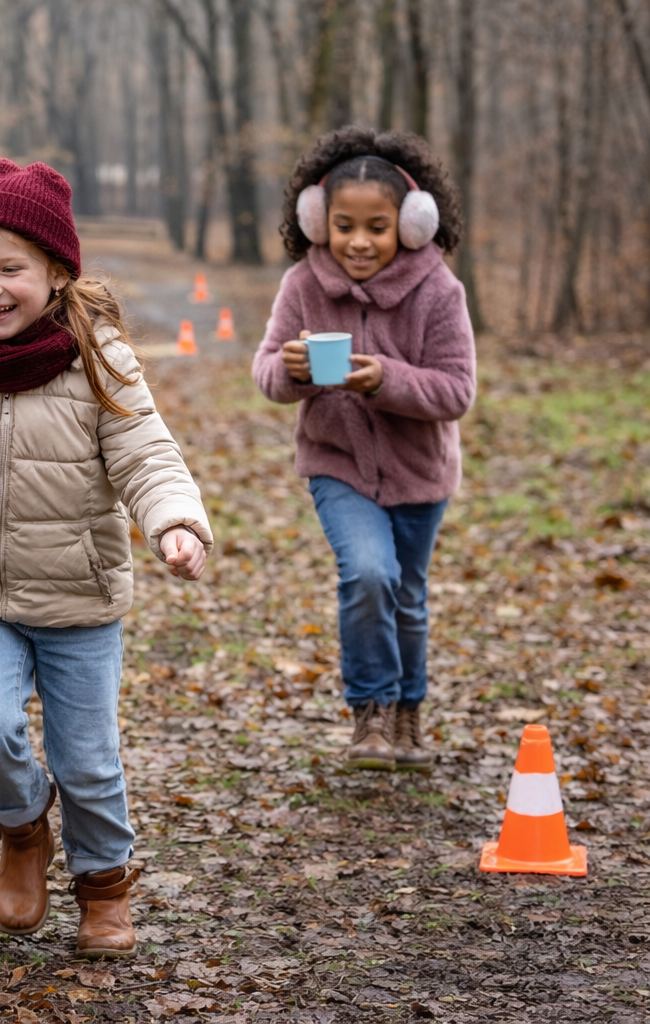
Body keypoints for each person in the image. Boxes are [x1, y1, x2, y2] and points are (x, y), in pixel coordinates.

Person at [0, 158, 212, 959]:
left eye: (10, 269)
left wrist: (174, 522)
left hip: (77, 597)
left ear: (57, 273)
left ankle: (104, 886)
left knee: (87, 762)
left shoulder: (100, 356)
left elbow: (146, 453)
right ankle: (23, 833)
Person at [252, 126, 475, 772]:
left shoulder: (440, 292)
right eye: (343, 225)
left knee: (406, 593)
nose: (357, 241)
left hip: (419, 475)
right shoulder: (302, 286)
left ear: (411, 224)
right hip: (338, 466)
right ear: (316, 221)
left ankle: (408, 712)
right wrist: (291, 370)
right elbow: (266, 373)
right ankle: (370, 711)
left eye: (376, 227)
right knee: (369, 574)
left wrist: (387, 379)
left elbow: (457, 390)